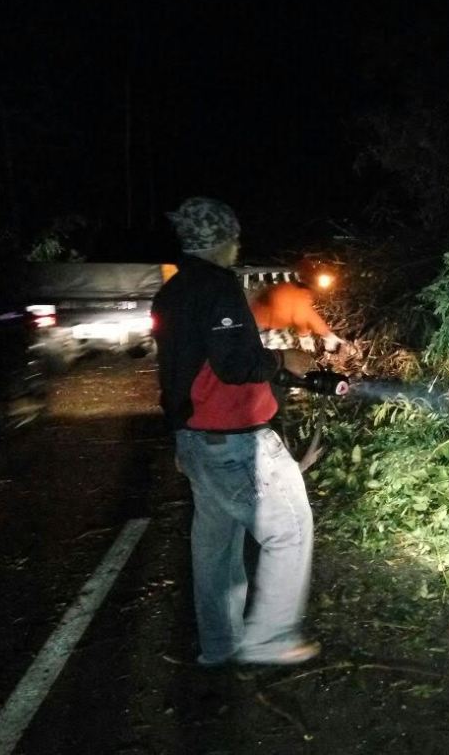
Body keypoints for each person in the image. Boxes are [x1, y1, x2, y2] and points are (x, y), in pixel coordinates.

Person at [152, 196, 320, 666]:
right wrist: (284, 360)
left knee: (216, 548)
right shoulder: (217, 288)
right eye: (234, 236)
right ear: (222, 240)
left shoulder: (172, 292)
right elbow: (234, 363)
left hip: (197, 440)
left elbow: (171, 374)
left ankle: (218, 645)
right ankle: (270, 638)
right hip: (236, 441)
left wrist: (178, 438)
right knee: (289, 530)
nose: (238, 244)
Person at [250, 280, 343, 353]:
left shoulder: (297, 294)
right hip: (259, 328)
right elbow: (300, 316)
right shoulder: (291, 294)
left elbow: (308, 314)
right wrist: (304, 335)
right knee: (282, 356)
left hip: (267, 326)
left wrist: (327, 334)